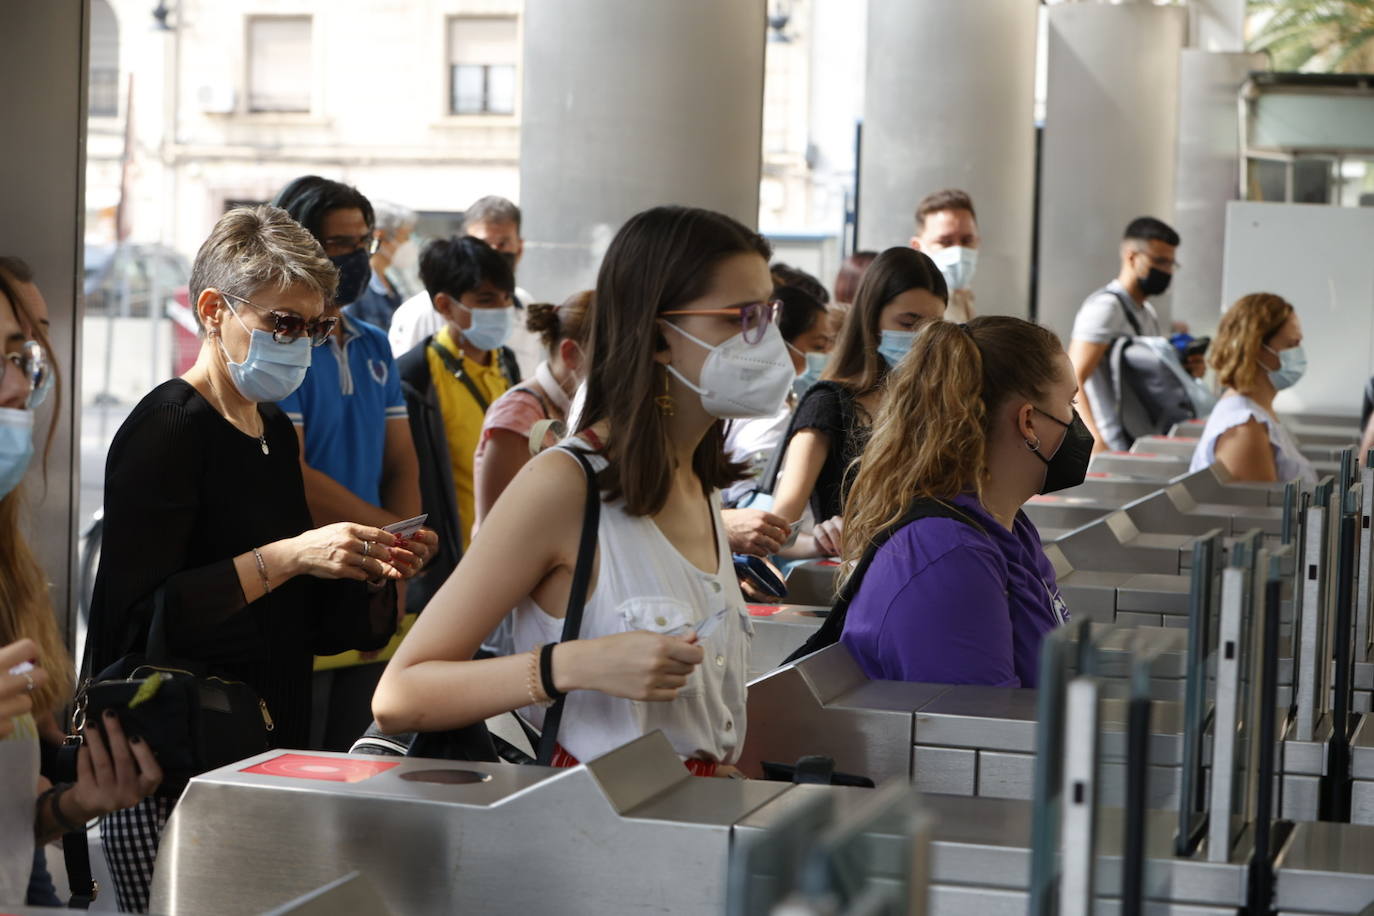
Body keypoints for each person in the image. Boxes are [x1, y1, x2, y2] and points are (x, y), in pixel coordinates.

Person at [373, 205, 796, 775]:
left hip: (689, 830)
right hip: (589, 834)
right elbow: (400, 696)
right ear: (656, 337)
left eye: (768, 313)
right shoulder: (564, 486)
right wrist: (567, 665)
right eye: (738, 317)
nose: (766, 340)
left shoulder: (694, 480)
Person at [84, 207, 412, 912]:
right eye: (284, 326)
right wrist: (289, 556)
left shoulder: (270, 430)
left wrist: (372, 571)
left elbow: (302, 624)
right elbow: (138, 624)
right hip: (169, 769)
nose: (302, 345)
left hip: (265, 752)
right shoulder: (168, 428)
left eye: (316, 328)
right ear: (212, 310)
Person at [0, 263, 164, 907]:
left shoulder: (9, 567)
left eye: (22, 355)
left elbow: (16, 819)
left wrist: (73, 804)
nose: (18, 387)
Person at [272, 177, 434, 751]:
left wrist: (399, 551)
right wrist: (385, 539)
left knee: (361, 753)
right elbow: (289, 470)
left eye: (364, 242)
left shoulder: (371, 344)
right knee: (299, 756)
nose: (356, 258)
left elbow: (401, 460)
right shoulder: (280, 349)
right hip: (300, 578)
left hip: (369, 579)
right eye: (339, 243)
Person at [839, 317, 1087, 687]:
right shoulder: (947, 555)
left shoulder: (1008, 526)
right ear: (1028, 421)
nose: (1076, 420)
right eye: (1070, 402)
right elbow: (985, 730)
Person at [769, 247, 948, 557]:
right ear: (871, 319)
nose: (920, 338)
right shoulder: (828, 404)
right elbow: (778, 532)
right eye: (908, 324)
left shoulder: (942, 405)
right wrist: (820, 543)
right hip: (855, 586)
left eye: (933, 328)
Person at [397, 235, 521, 614]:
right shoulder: (414, 377)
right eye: (485, 299)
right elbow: (407, 478)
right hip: (451, 572)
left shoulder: (507, 363)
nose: (502, 309)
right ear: (444, 305)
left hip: (511, 560)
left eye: (506, 297)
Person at [473, 291, 591, 531]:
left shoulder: (570, 405)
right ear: (570, 353)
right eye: (611, 355)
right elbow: (497, 530)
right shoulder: (519, 415)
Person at [389, 196, 542, 377]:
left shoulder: (525, 308)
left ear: (520, 248)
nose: (492, 256)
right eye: (482, 245)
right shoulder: (418, 314)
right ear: (445, 306)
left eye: (503, 244)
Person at [1068, 217, 1180, 453]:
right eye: (1159, 261)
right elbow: (1073, 377)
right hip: (1110, 444)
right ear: (1132, 257)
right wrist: (1093, 438)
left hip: (1137, 442)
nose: (1166, 270)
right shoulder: (1106, 308)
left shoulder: (1147, 313)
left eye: (1171, 263)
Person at [1189, 293, 1316, 485]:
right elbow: (1258, 511)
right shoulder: (1245, 429)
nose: (1299, 353)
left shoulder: (1258, 412)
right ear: (1257, 349)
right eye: (1292, 344)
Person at [723, 283, 831, 507]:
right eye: (819, 346)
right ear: (780, 342)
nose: (827, 357)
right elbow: (748, 503)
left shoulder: (777, 403)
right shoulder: (770, 413)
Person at [910, 189, 981, 323]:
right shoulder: (910, 307)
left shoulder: (965, 296)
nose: (958, 251)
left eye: (967, 240)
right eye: (945, 242)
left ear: (978, 241)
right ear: (917, 247)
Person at [346, 200, 418, 331]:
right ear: (380, 235)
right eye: (405, 236)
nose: (409, 243)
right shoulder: (355, 287)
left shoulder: (391, 286)